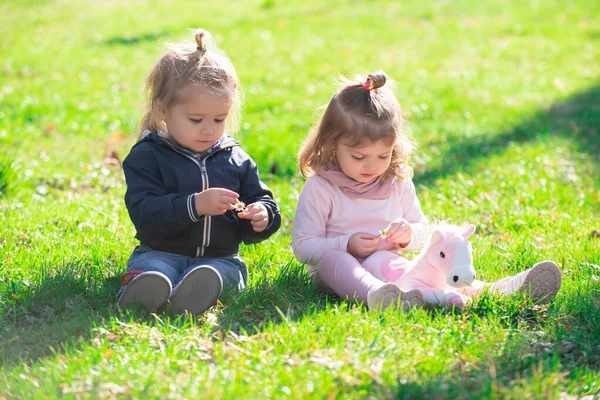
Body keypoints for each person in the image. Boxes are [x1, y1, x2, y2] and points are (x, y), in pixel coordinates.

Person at [292, 71, 561, 311]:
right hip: (339, 272)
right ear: (332, 143)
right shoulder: (321, 187)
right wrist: (346, 243)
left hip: (388, 264)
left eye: (383, 155)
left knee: (430, 257)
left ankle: (495, 289)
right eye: (359, 157)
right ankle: (376, 297)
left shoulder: (395, 181)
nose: (372, 166)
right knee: (334, 260)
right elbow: (304, 247)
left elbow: (422, 229)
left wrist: (408, 235)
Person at [117, 29, 281, 315]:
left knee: (221, 274)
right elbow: (144, 212)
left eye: (219, 119)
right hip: (160, 251)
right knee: (155, 269)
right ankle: (147, 289)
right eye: (196, 119)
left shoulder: (236, 159)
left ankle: (196, 293)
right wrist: (194, 205)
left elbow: (261, 200)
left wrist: (262, 216)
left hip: (220, 258)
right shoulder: (147, 157)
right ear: (162, 110)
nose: (209, 129)